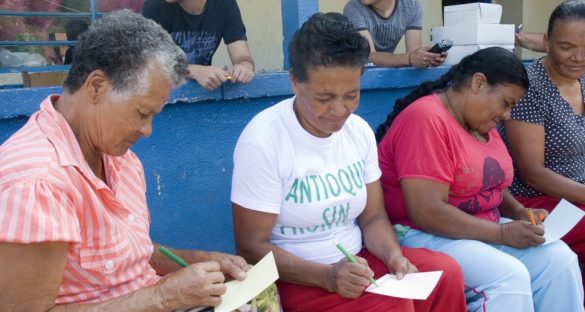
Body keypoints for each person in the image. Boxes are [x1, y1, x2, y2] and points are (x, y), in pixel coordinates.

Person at [0, 10, 250, 311]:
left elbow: (121, 256)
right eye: (141, 114)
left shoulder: (118, 157)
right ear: (96, 87)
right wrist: (163, 297)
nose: (147, 130)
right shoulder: (37, 182)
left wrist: (201, 260)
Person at [231, 12, 466, 312]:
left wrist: (394, 257)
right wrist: (328, 277)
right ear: (294, 82)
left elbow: (373, 218)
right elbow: (251, 247)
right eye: (324, 97)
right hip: (297, 277)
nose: (339, 110)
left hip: (356, 263)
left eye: (351, 95)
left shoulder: (358, 132)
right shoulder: (264, 140)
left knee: (446, 274)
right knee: (393, 307)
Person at [376, 46, 585, 311]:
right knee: (508, 278)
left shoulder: (480, 123)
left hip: (480, 229)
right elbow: (426, 212)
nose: (507, 114)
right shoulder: (427, 118)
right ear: (478, 83)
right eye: (506, 103)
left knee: (559, 260)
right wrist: (502, 233)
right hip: (420, 234)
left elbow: (492, 186)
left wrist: (520, 212)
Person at [501, 0, 585, 289]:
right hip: (535, 203)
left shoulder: (584, 81)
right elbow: (532, 172)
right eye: (567, 47)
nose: (578, 57)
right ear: (546, 42)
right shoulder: (530, 87)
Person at [143, 0, 255, 91]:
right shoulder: (154, 6)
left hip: (203, 95)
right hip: (161, 100)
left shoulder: (225, 4)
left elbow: (242, 56)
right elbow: (150, 65)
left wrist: (244, 67)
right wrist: (194, 71)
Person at [343, 0, 446, 68]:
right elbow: (369, 56)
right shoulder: (353, 7)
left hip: (387, 72)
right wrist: (410, 58)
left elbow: (413, 52)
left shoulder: (411, 5)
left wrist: (427, 58)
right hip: (360, 74)